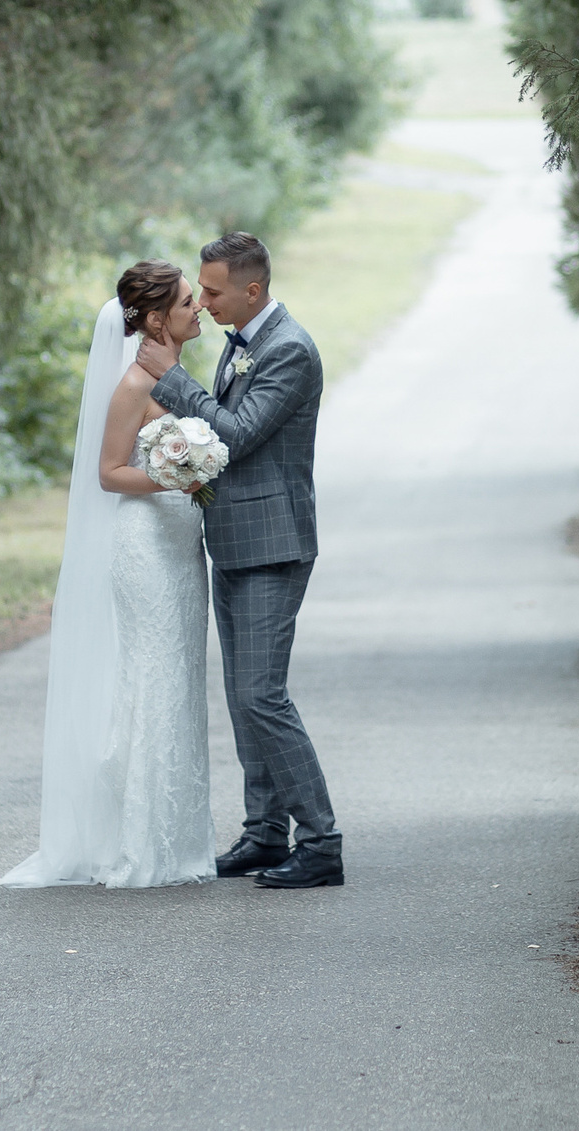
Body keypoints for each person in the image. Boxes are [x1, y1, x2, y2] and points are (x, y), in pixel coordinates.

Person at [132, 230, 341, 890]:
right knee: (242, 696)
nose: (207, 302)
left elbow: (237, 434)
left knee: (261, 694)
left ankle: (321, 840)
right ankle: (263, 831)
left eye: (215, 291)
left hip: (273, 543)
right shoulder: (243, 341)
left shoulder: (290, 351)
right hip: (234, 539)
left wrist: (172, 379)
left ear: (253, 289)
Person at [1, 261, 216, 888]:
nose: (196, 307)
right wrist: (178, 476)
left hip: (179, 544)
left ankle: (179, 841)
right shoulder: (129, 385)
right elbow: (109, 473)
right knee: (151, 684)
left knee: (179, 683)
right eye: (184, 302)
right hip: (145, 544)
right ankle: (141, 843)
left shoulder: (172, 378)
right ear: (155, 320)